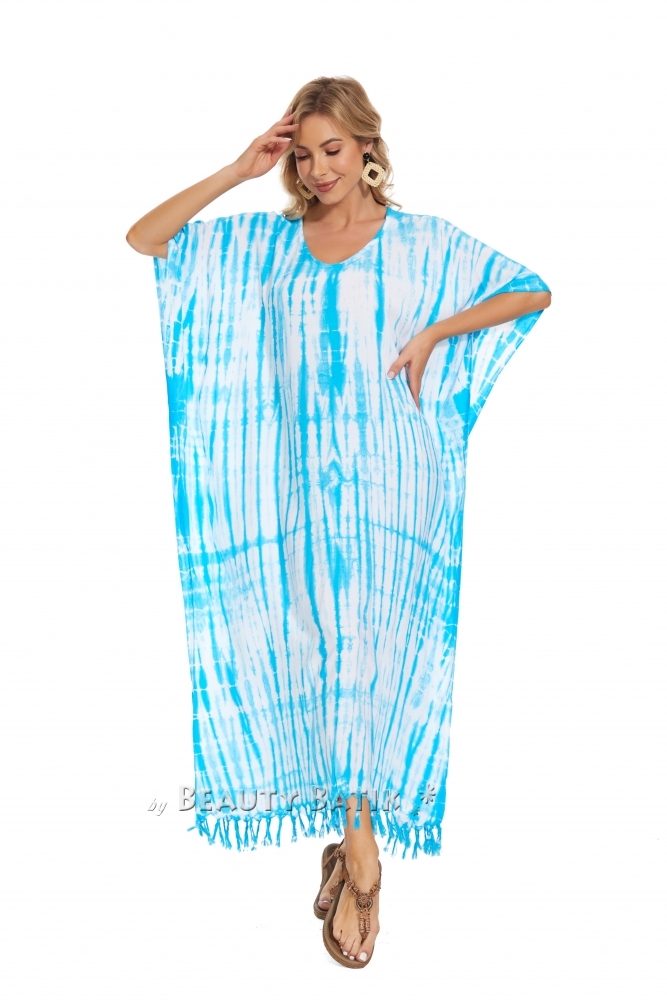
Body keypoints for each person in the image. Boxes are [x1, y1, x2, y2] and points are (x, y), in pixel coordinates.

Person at [126, 75, 551, 969]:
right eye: (305, 153)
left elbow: (531, 292)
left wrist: (435, 333)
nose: (319, 169)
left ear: (365, 147)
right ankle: (356, 850)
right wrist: (238, 170)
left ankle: (358, 855)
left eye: (334, 149)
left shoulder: (420, 243)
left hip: (392, 498)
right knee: (317, 665)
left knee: (367, 665)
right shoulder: (263, 245)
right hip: (291, 506)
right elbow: (147, 239)